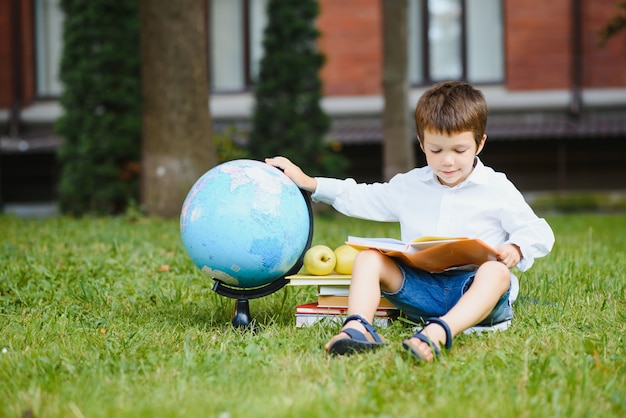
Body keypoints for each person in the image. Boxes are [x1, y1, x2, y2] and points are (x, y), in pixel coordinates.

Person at [266, 81, 554, 362]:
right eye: (436, 150)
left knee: (496, 273)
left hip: (474, 293)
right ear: (422, 143)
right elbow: (361, 196)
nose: (448, 162)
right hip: (421, 290)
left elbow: (538, 230)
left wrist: (516, 248)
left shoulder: (496, 187)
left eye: (459, 150)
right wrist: (310, 182)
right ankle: (357, 328)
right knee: (368, 259)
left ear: (480, 143)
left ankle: (437, 334)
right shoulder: (410, 185)